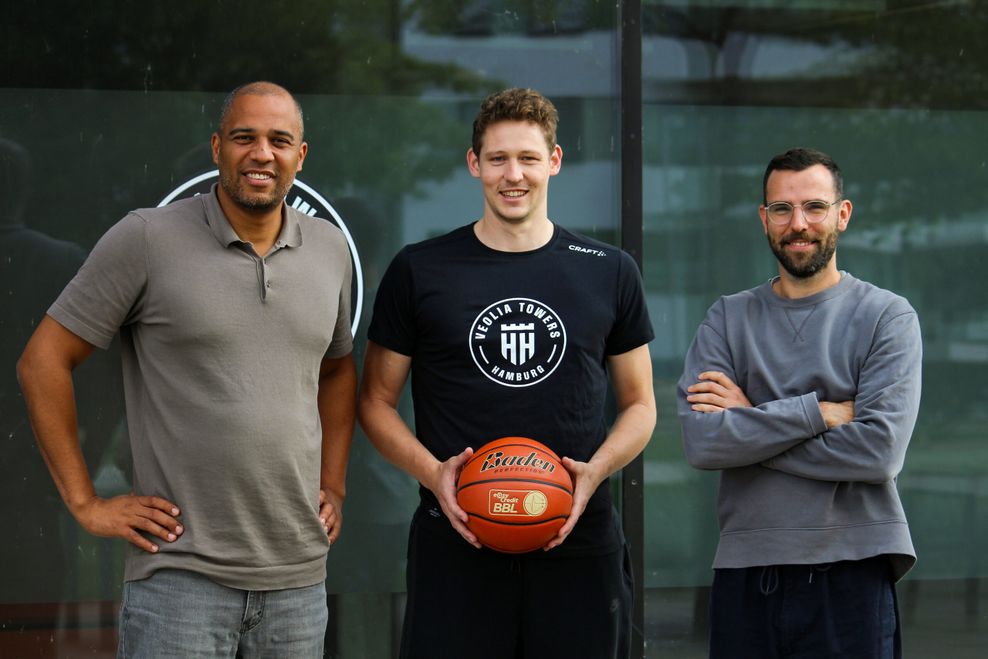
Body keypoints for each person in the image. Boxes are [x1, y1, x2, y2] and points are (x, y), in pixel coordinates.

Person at [17, 81, 356, 658]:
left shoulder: (328, 249)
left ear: (302, 156)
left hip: (299, 580)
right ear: (216, 147)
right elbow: (42, 361)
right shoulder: (147, 238)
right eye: (245, 138)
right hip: (180, 580)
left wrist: (335, 484)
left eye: (280, 140)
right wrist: (84, 502)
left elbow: (339, 369)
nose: (262, 154)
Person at [358, 87, 656, 659]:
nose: (512, 174)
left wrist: (594, 472)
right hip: (457, 536)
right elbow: (374, 399)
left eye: (527, 157)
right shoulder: (420, 269)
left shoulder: (610, 271)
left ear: (555, 161)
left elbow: (640, 403)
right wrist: (433, 474)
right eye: (497, 159)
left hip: (577, 537)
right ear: (475, 165)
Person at [678, 147, 922, 658]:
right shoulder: (727, 318)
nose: (798, 224)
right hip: (748, 570)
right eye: (782, 210)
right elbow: (703, 443)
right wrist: (820, 413)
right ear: (764, 219)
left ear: (842, 213)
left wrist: (748, 419)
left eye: (814, 207)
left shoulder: (886, 317)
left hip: (854, 569)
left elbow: (878, 452)